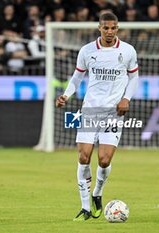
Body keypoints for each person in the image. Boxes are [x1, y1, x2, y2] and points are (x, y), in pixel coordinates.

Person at [55, 12, 139, 221]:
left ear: (117, 28)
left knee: (104, 160)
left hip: (113, 112)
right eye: (106, 28)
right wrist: (66, 94)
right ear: (99, 28)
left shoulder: (128, 51)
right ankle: (85, 208)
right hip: (90, 110)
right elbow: (77, 77)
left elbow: (134, 76)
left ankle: (97, 193)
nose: (109, 32)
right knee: (84, 157)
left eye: (113, 28)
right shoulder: (87, 51)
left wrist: (126, 99)